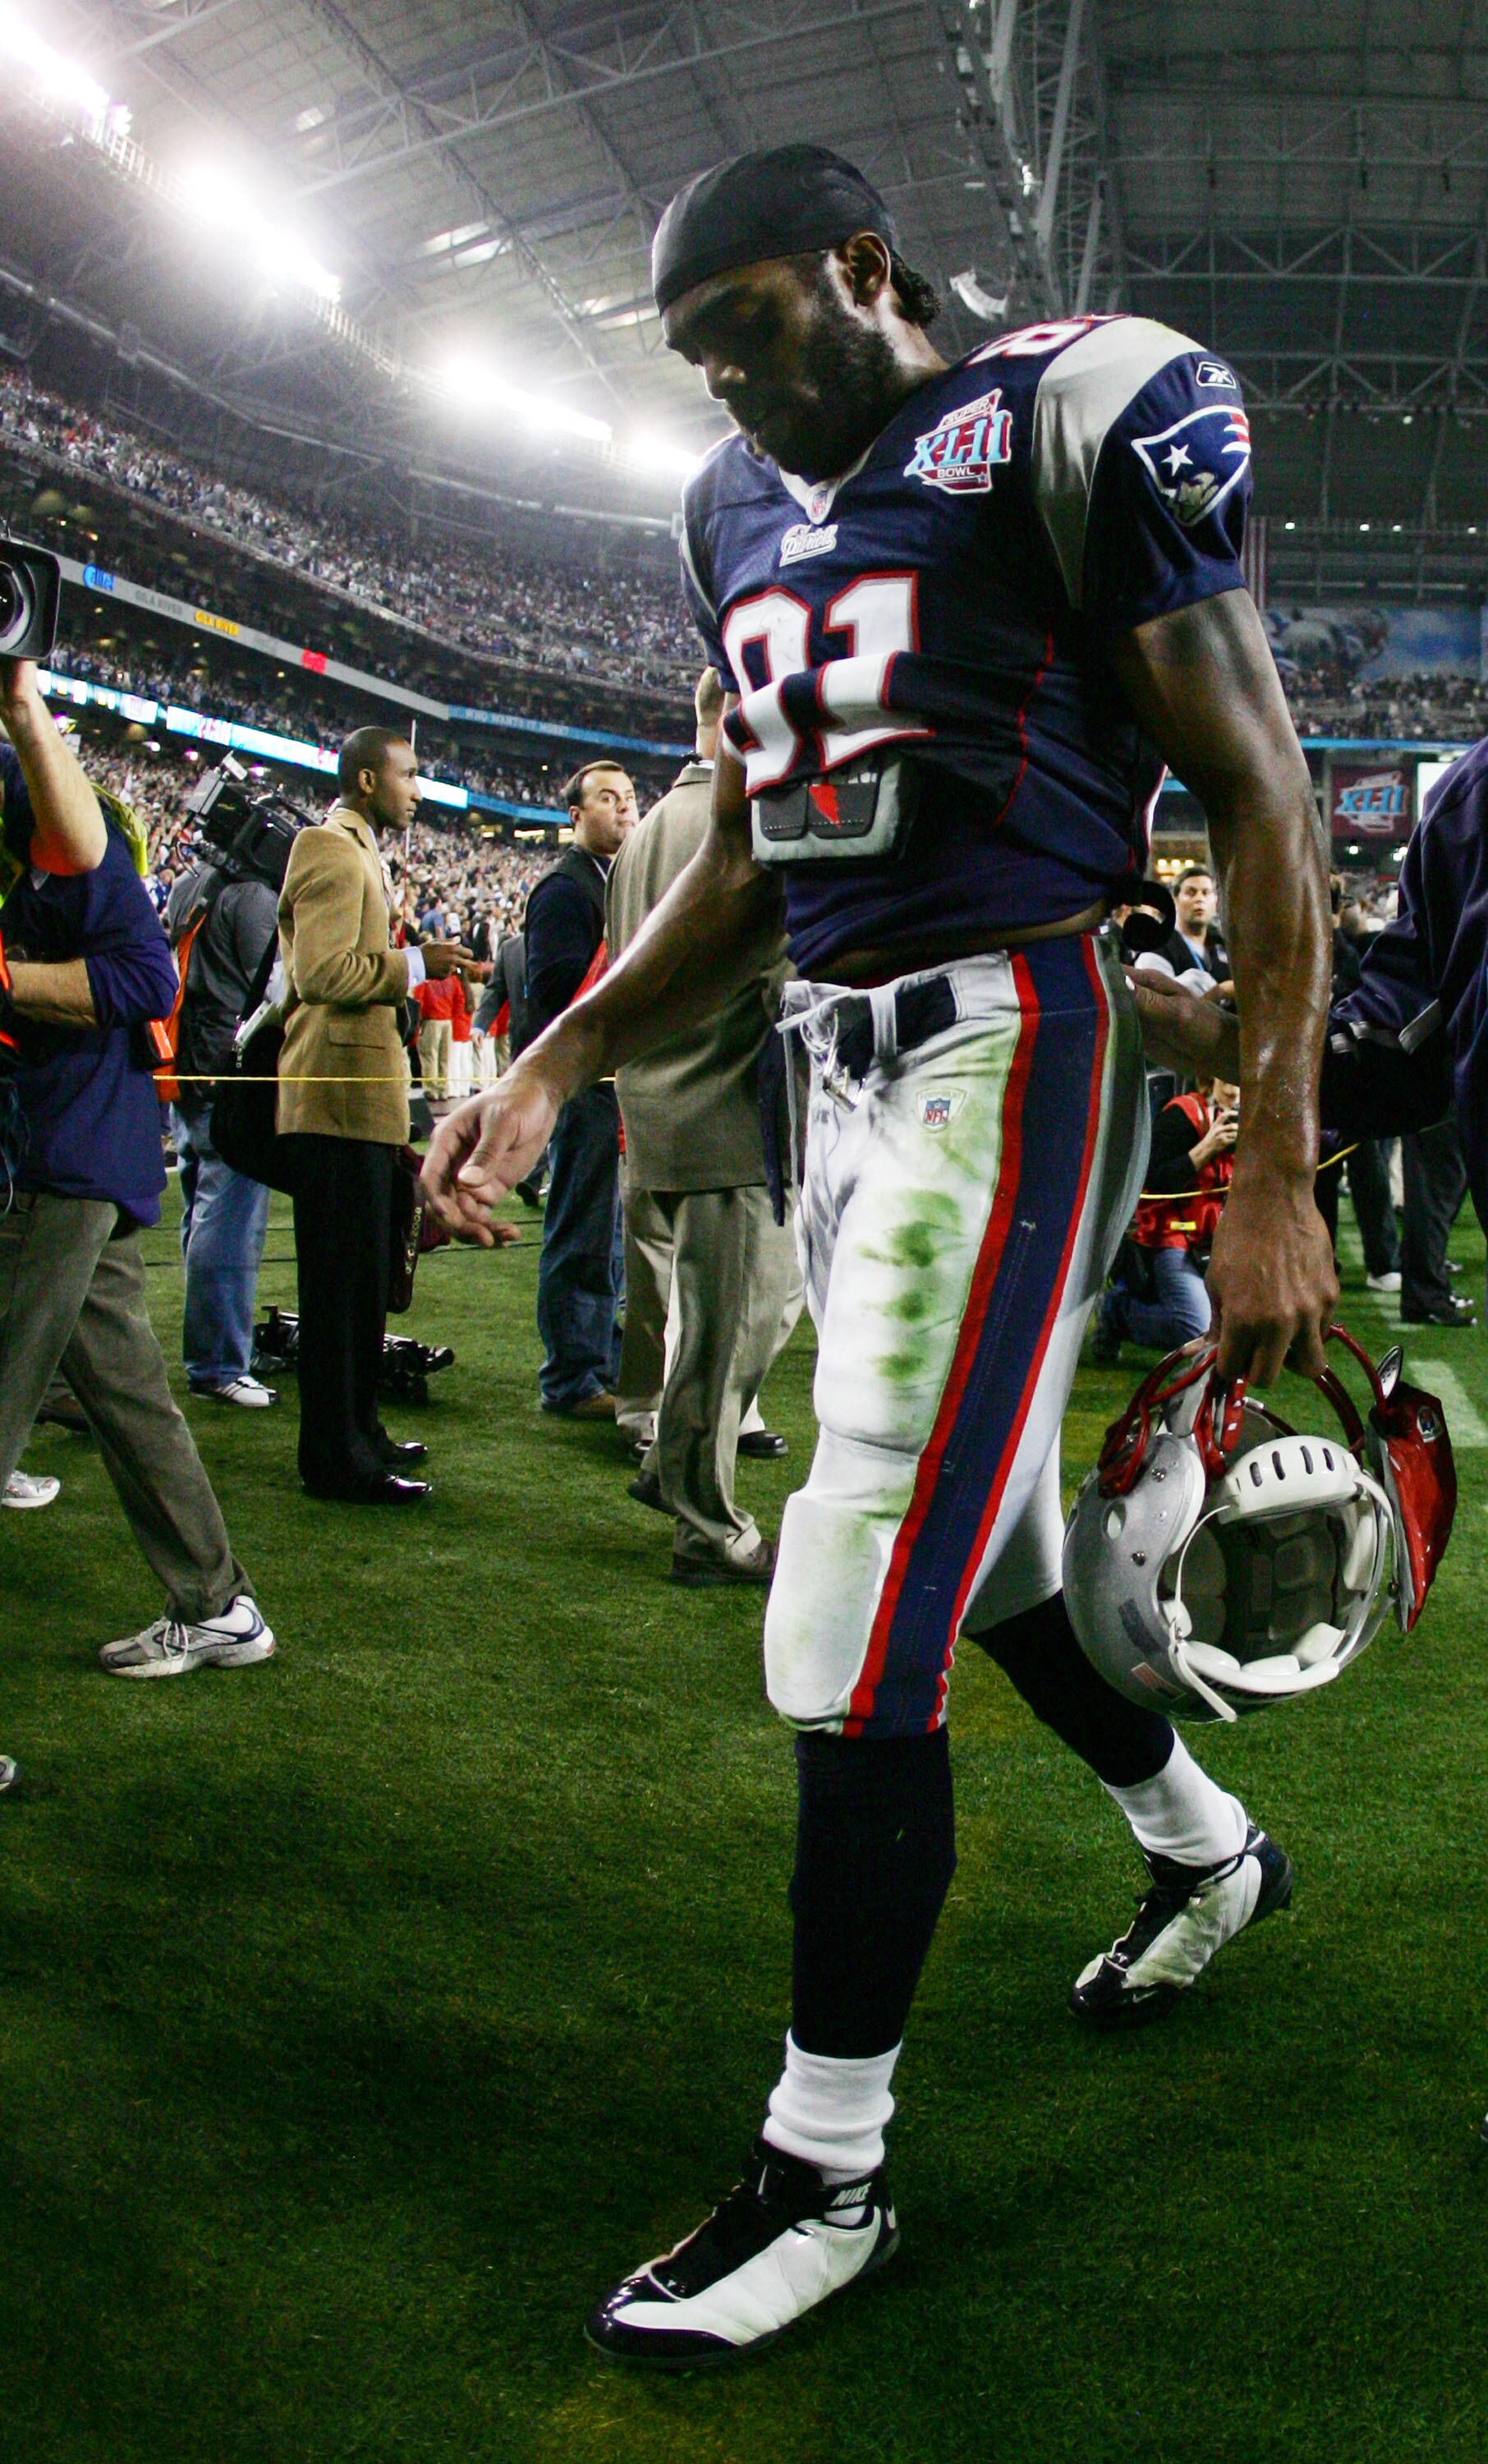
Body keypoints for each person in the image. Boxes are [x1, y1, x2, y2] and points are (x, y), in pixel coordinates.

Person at [423, 143, 1334, 2367]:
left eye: (748, 327)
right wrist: (550, 1056)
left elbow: (1258, 792)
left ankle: (824, 2170)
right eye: (692, 355)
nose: (726, 383)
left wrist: (1274, 1164)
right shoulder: (726, 514)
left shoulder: (1060, 409)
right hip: (834, 1065)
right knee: (986, 1552)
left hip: (1012, 1032)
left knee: (846, 1587)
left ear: (862, 266)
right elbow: (753, 852)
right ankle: (1203, 1842)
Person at [0, 659, 273, 1700]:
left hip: (51, 1163)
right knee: (129, 1400)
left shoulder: (53, 818)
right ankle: (217, 1605)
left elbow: (142, 979)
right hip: (73, 1156)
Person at [607, 668, 802, 1584]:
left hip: (654, 1100)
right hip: (729, 1108)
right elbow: (784, 982)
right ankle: (707, 1528)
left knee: (726, 1324)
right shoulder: (753, 822)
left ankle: (669, 1466)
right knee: (730, 1336)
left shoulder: (646, 828)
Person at [276, 726, 468, 1503]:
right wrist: (417, 964)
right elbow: (322, 973)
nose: (418, 789)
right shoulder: (327, 847)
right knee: (337, 1290)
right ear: (365, 780)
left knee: (361, 1284)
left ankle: (360, 1431)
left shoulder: (360, 851)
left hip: (359, 1100)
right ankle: (334, 1459)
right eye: (408, 774)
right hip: (334, 1100)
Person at [525, 761, 638, 1418]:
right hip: (582, 1083)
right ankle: (571, 1377)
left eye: (628, 797)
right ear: (575, 815)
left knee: (607, 1234)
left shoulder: (609, 878)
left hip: (607, 1080)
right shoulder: (565, 888)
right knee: (583, 1229)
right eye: (606, 798)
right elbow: (554, 988)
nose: (623, 808)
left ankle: (598, 1358)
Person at [164, 847, 279, 1405]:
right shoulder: (253, 896)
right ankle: (217, 1364)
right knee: (229, 1220)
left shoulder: (192, 882)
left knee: (201, 1212)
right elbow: (275, 989)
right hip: (227, 1072)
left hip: (190, 1062)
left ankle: (213, 1350)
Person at [1092, 1078, 1237, 1363]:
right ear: (1211, 1078)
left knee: (1249, 1320)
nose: (1235, 1092)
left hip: (1220, 1242)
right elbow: (1150, 1180)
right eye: (1228, 1081)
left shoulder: (1252, 1120)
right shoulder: (1183, 1115)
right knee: (1199, 1331)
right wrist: (1207, 1147)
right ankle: (1117, 1311)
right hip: (1173, 1238)